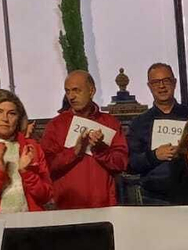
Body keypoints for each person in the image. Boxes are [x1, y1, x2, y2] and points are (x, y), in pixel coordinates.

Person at [39, 71, 130, 209]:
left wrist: (101, 149)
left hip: (104, 206)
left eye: (76, 90)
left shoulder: (110, 123)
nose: (71, 96)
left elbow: (121, 163)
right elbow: (46, 166)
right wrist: (75, 151)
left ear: (92, 91)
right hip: (67, 207)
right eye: (67, 91)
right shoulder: (56, 125)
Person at [127, 63, 188, 206]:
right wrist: (154, 155)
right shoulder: (139, 123)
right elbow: (131, 164)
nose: (161, 86)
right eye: (156, 82)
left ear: (174, 83)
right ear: (149, 86)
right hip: (153, 197)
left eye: (166, 80)